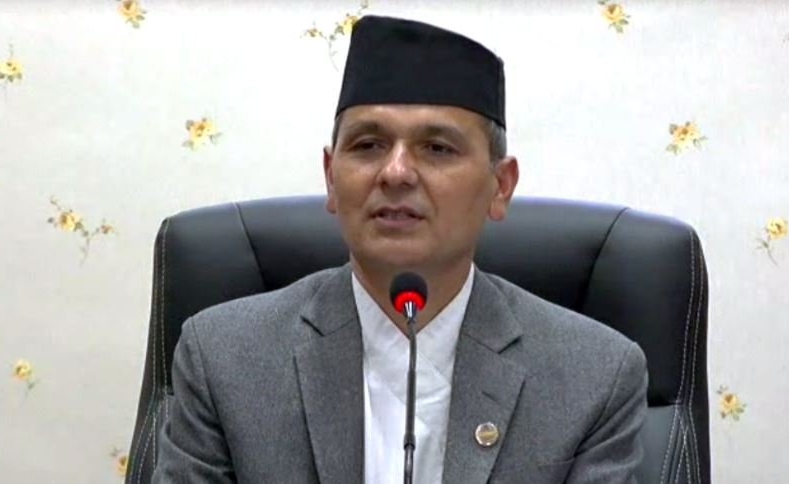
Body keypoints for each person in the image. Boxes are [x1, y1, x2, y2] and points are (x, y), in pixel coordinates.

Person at [152, 15, 647, 484]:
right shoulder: (222, 357)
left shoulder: (595, 374)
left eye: (437, 149)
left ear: (500, 186)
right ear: (331, 177)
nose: (395, 173)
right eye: (368, 145)